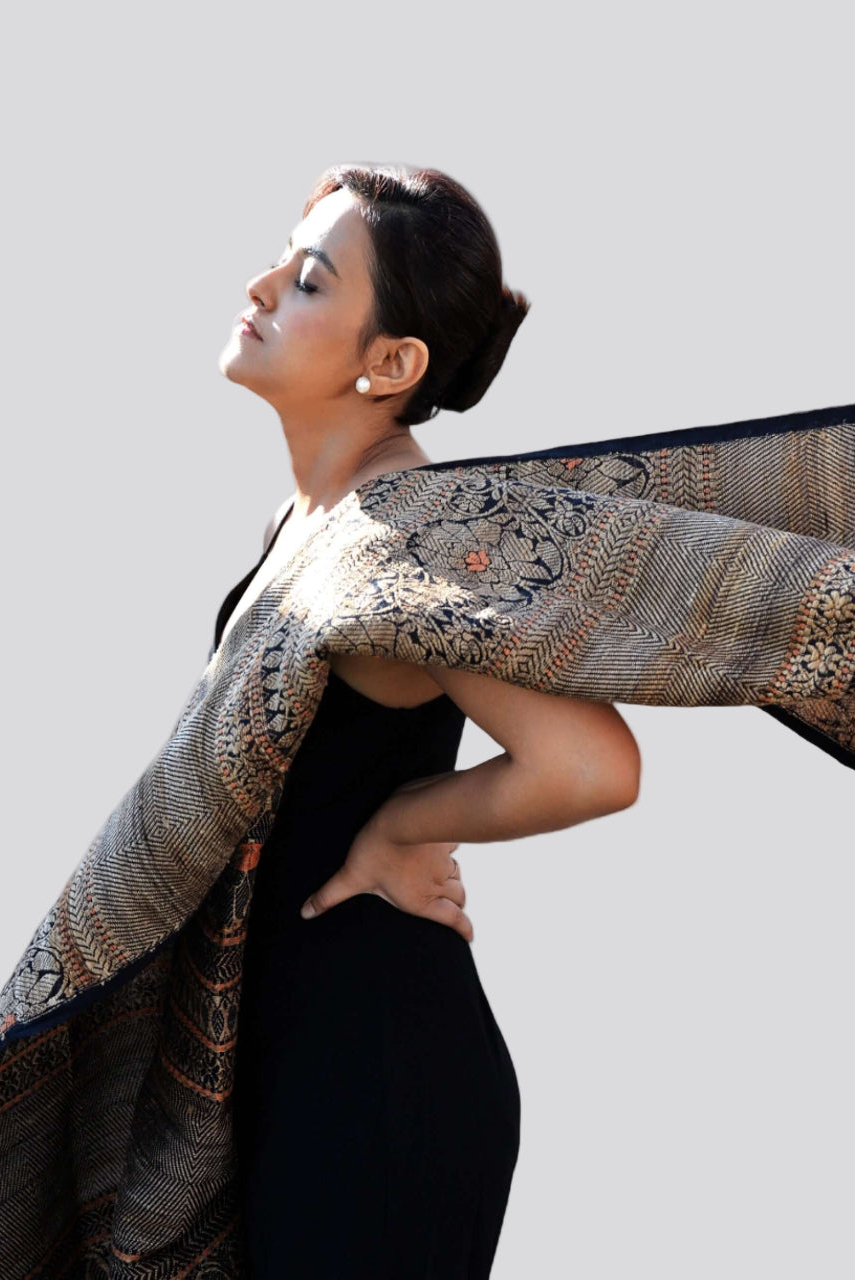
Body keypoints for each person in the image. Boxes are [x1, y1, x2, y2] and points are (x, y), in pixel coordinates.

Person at [214, 163, 643, 1277]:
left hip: (375, 1082)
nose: (261, 285)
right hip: (301, 1054)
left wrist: (402, 828)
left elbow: (591, 762)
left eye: (309, 280)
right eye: (284, 258)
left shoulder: (413, 532)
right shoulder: (317, 518)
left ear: (392, 364)